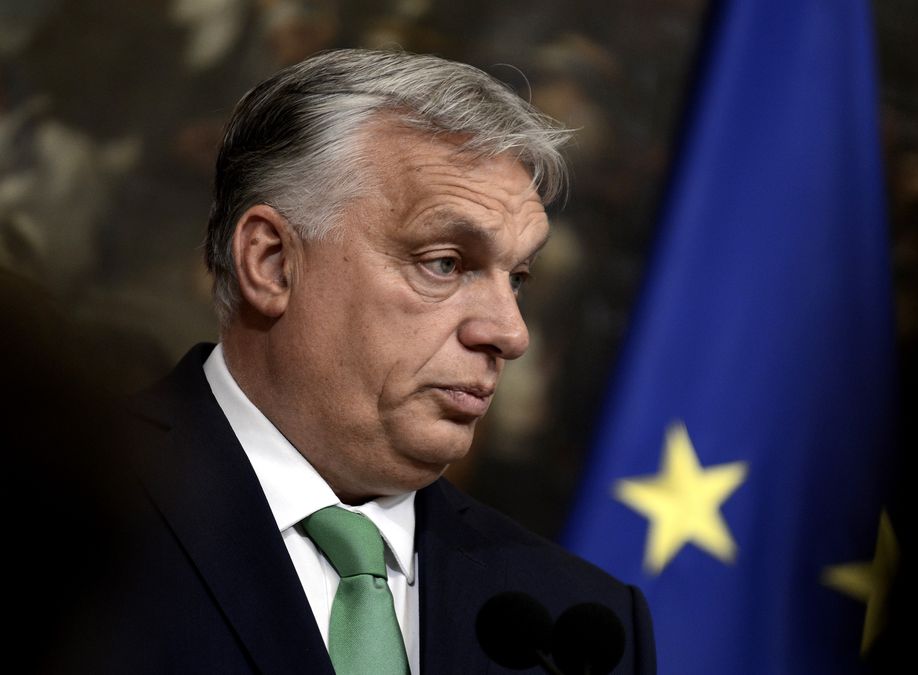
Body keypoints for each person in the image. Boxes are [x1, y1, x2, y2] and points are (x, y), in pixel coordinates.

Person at [63, 49, 655, 675]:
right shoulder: (55, 509)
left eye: (519, 278)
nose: (510, 333)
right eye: (445, 263)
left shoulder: (578, 624)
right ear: (272, 264)